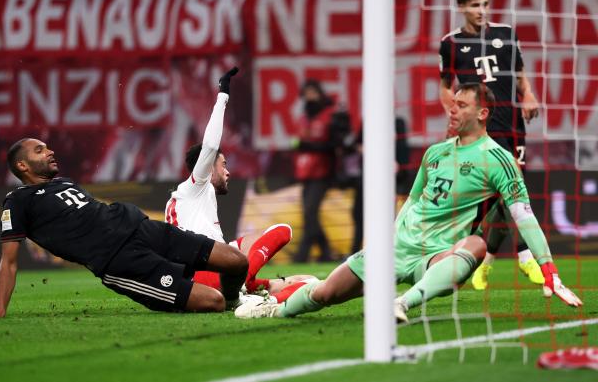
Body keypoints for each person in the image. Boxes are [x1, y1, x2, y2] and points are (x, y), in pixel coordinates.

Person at [235, 83, 582, 321]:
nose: (452, 110)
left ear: (483, 114)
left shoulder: (498, 159)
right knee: (326, 293)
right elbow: (412, 199)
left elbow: (525, 217)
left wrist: (549, 270)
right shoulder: (435, 152)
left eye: (462, 105)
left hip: (437, 254)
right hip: (400, 244)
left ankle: (401, 303)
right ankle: (272, 309)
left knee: (476, 245)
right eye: (452, 103)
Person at [0, 136, 249, 320]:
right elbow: (8, 261)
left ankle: (237, 299)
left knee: (237, 261)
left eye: (47, 147)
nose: (50, 151)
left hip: (143, 228)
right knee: (213, 302)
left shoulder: (64, 183)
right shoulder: (17, 202)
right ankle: (229, 302)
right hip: (120, 261)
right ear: (22, 165)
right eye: (39, 150)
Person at [165, 67, 316, 302]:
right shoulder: (194, 187)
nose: (228, 171)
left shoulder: (194, 200)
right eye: (223, 165)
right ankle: (246, 284)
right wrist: (223, 96)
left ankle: (255, 289)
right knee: (281, 233)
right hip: (200, 276)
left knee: (307, 280)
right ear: (207, 166)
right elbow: (211, 146)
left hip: (206, 273)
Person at [439, 0, 544, 290]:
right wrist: (453, 111)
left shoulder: (506, 35)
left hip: (512, 124)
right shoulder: (451, 43)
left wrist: (529, 95)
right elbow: (446, 86)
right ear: (462, 8)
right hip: (479, 128)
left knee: (506, 194)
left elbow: (520, 75)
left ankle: (485, 260)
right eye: (474, 5)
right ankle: (525, 257)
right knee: (500, 193)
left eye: (485, 4)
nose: (481, 11)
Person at [292, 79, 336, 263]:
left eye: (313, 93)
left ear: (320, 94)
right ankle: (326, 252)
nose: (310, 97)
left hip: (323, 172)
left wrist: (307, 145)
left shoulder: (329, 115)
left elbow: (332, 145)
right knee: (309, 213)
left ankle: (302, 255)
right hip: (306, 172)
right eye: (307, 93)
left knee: (310, 212)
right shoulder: (304, 117)